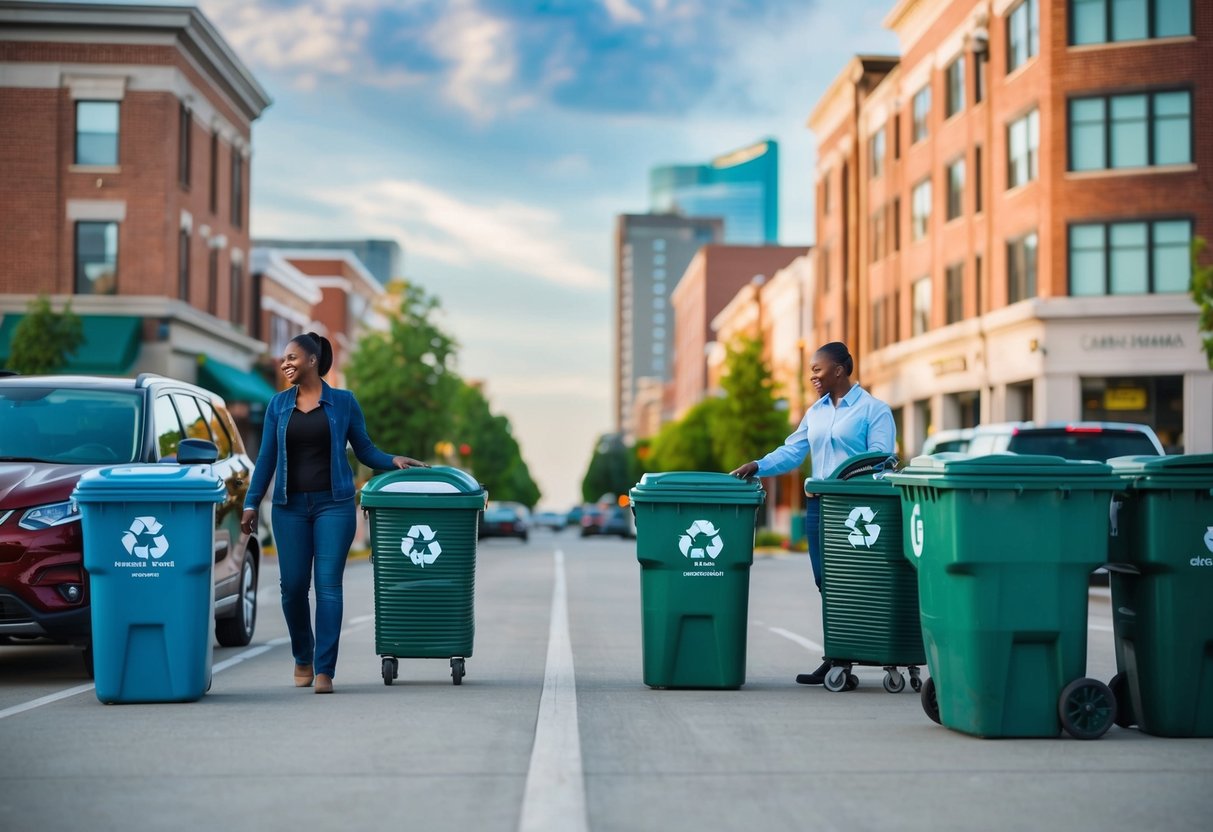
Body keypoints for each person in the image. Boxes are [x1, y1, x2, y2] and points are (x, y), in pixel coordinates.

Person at [240, 332, 426, 694]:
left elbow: (364, 449)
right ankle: (303, 655)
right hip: (288, 507)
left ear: (312, 360)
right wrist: (251, 501)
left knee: (328, 586)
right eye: (283, 359)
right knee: (292, 588)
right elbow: (266, 458)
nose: (285, 364)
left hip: (334, 505)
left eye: (292, 357)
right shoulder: (278, 405)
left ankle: (325, 669)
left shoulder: (343, 402)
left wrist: (392, 461)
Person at [730, 341, 895, 686]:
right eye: (811, 372)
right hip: (820, 506)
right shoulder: (816, 412)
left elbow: (881, 458)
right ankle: (838, 654)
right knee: (827, 582)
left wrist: (844, 479)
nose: (813, 377)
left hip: (858, 510)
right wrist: (758, 465)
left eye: (818, 370)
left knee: (859, 582)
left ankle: (855, 652)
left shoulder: (873, 410)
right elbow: (793, 452)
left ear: (839, 370)